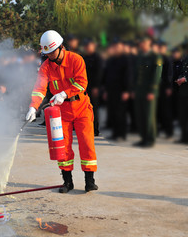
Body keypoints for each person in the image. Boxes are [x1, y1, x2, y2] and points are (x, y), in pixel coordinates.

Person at [25, 30, 98, 193]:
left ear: (60, 47)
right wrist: (33, 106)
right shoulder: (45, 67)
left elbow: (82, 83)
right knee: (63, 147)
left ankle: (89, 181)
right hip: (61, 112)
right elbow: (39, 89)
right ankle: (67, 182)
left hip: (81, 108)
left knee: (87, 143)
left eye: (51, 52)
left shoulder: (76, 59)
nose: (49, 56)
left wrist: (64, 93)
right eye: (47, 53)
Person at [133, 37, 163, 147]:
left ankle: (150, 139)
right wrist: (133, 89)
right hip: (139, 91)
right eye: (141, 43)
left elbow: (156, 75)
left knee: (148, 115)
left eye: (144, 43)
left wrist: (152, 91)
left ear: (149, 44)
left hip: (149, 91)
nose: (142, 45)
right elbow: (136, 74)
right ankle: (143, 138)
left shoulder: (155, 57)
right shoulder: (140, 57)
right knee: (140, 115)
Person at [103, 39, 132, 141]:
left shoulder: (126, 60)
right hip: (111, 90)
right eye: (115, 46)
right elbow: (107, 76)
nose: (116, 48)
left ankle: (121, 134)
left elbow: (128, 76)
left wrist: (127, 91)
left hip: (121, 90)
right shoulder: (111, 60)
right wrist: (106, 90)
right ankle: (115, 133)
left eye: (118, 46)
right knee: (113, 112)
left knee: (121, 113)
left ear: (122, 47)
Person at [82, 38, 103, 136]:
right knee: (86, 109)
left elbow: (99, 74)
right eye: (85, 46)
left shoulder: (97, 58)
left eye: (89, 45)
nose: (87, 48)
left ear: (93, 46)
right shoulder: (84, 58)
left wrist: (96, 87)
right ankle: (88, 128)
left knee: (94, 109)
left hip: (94, 87)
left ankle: (95, 129)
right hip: (85, 86)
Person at [157, 40, 174, 138]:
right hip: (157, 88)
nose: (160, 49)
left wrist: (169, 87)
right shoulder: (156, 58)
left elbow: (170, 74)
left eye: (161, 47)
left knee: (166, 110)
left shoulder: (167, 59)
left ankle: (169, 131)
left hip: (164, 88)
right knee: (157, 110)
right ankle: (158, 130)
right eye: (159, 47)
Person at [175, 50, 188, 144]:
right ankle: (184, 137)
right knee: (183, 115)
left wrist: (186, 78)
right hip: (183, 91)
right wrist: (180, 78)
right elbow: (181, 71)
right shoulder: (185, 59)